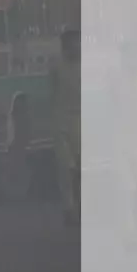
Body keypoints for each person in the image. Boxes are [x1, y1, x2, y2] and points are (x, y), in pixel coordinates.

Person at [52, 28, 81, 227]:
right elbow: (52, 91)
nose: (75, 47)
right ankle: (69, 209)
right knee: (65, 168)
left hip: (82, 122)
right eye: (71, 43)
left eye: (77, 43)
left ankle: (79, 206)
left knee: (80, 170)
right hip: (61, 123)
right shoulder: (56, 67)